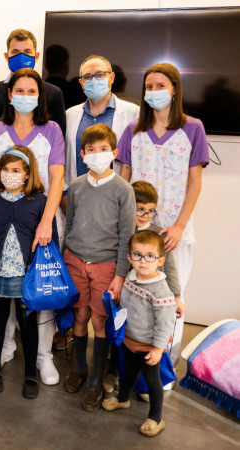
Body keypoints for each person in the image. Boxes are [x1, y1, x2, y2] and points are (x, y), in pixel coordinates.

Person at [117, 62, 209, 369]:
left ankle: (164, 367)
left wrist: (179, 226)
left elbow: (195, 181)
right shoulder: (133, 132)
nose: (154, 92)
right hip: (138, 232)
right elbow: (124, 178)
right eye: (149, 87)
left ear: (175, 89)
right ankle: (132, 365)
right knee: (135, 299)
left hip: (173, 233)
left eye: (160, 86)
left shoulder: (192, 128)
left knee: (171, 299)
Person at [0, 68, 64, 385]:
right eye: (20, 90)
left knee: (40, 290)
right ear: (9, 94)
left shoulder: (52, 129)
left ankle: (43, 357)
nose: (25, 96)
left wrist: (46, 222)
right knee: (5, 288)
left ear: (39, 96)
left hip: (37, 219)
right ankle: (5, 347)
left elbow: (57, 179)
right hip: (2, 217)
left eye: (32, 91)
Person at [0, 145, 58, 400]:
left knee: (27, 324)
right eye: (5, 169)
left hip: (26, 277)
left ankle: (30, 372)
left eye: (16, 170)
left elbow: (49, 241)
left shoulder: (40, 202)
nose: (9, 174)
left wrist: (47, 275)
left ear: (28, 174)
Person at [62, 124, 135, 411]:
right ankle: (80, 367)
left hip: (106, 264)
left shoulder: (123, 189)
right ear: (82, 154)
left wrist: (119, 275)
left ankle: (95, 378)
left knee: (99, 321)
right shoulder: (77, 186)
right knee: (79, 314)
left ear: (114, 153)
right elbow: (68, 226)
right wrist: (63, 256)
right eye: (91, 150)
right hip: (75, 260)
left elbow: (127, 236)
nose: (97, 154)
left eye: (103, 149)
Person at [103, 181, 184, 395]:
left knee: (145, 340)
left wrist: (176, 296)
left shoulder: (159, 234)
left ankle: (145, 384)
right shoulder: (122, 229)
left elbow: (171, 269)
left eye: (150, 211)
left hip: (149, 300)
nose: (145, 215)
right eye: (140, 209)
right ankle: (113, 370)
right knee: (120, 331)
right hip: (126, 294)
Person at [102, 230, 176, 437]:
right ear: (129, 257)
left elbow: (165, 323)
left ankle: (156, 417)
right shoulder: (131, 277)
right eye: (137, 255)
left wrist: (158, 349)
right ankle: (123, 399)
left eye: (150, 256)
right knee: (129, 373)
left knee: (153, 382)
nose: (143, 261)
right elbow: (128, 304)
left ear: (160, 260)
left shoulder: (161, 291)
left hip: (148, 346)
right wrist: (113, 299)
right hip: (129, 340)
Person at [64, 55, 139, 189]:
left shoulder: (133, 113)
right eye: (87, 76)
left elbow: (137, 161)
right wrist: (65, 193)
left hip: (115, 196)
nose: (94, 80)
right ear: (81, 83)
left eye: (100, 74)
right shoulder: (69, 115)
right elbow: (63, 159)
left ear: (111, 78)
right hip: (77, 196)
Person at [0, 29, 66, 141]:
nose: (21, 57)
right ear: (7, 56)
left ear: (36, 56)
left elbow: (59, 140)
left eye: (27, 52)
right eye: (15, 52)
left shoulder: (54, 94)